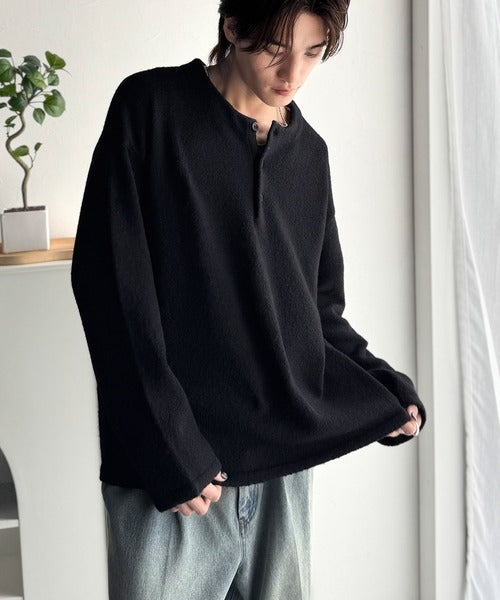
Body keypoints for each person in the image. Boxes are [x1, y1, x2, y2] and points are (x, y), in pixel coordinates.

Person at [71, 1, 426, 598]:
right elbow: (111, 292)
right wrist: (167, 446)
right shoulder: (151, 109)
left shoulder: (309, 156)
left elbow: (316, 315)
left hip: (282, 472)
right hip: (174, 477)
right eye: (276, 50)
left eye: (312, 53)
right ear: (233, 27)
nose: (293, 74)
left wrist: (383, 387)